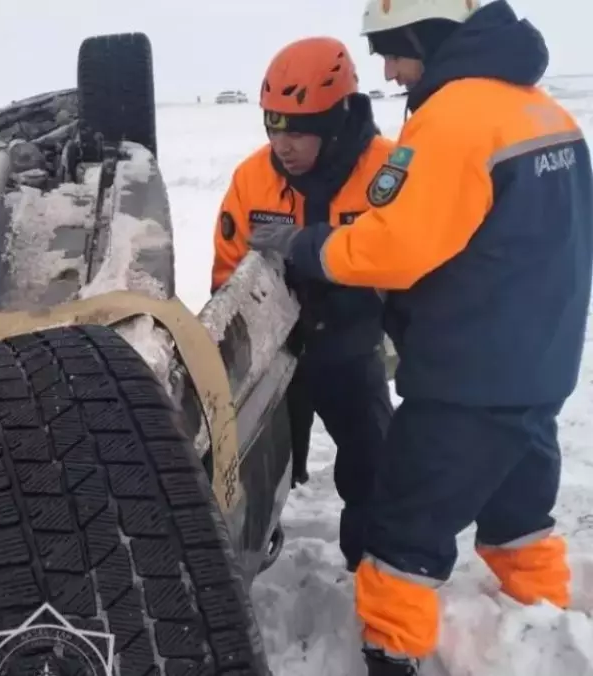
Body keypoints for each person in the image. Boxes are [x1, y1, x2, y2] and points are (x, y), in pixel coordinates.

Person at [248, 2, 591, 674]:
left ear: (424, 34)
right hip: (541, 363)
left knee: (403, 525)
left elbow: (395, 248)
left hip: (468, 374)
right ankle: (544, 625)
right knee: (520, 508)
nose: (387, 71)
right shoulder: (545, 113)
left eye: (392, 50)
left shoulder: (455, 118)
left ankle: (390, 650)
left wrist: (307, 245)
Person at [211, 36, 394, 573]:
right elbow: (227, 274)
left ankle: (374, 572)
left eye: (297, 130)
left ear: (335, 121)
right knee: (246, 469)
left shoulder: (389, 174)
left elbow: (417, 263)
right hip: (275, 353)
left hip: (352, 349)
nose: (281, 144)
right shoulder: (253, 178)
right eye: (272, 127)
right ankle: (239, 562)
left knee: (377, 467)